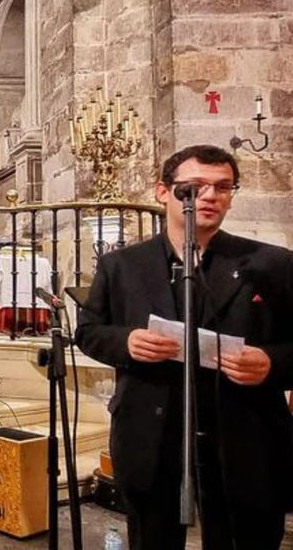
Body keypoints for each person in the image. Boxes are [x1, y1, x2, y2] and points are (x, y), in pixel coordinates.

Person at [75, 145, 293, 550]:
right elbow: (88, 331)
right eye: (193, 188)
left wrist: (272, 362)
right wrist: (127, 341)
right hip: (152, 429)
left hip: (244, 432)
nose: (209, 197)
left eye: (222, 187)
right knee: (153, 539)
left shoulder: (272, 263)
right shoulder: (121, 265)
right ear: (163, 192)